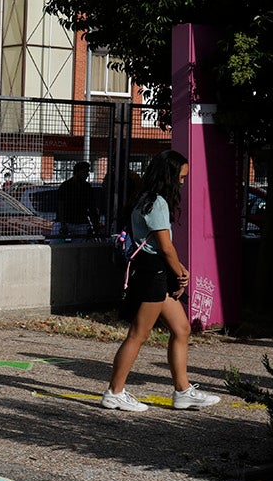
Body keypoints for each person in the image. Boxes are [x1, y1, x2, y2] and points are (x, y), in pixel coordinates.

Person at [102, 150, 220, 412]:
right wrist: (180, 272)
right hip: (153, 273)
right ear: (168, 176)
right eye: (180, 177)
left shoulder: (143, 199)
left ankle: (183, 391)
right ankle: (114, 392)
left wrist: (177, 271)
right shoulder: (157, 203)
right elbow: (165, 247)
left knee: (181, 329)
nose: (181, 182)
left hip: (153, 272)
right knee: (138, 334)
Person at [55, 161, 99, 237]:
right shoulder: (65, 186)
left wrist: (95, 223)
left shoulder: (87, 187)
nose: (87, 175)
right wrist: (63, 224)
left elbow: (92, 207)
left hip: (80, 223)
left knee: (80, 246)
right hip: (67, 222)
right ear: (78, 172)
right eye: (85, 172)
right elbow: (60, 206)